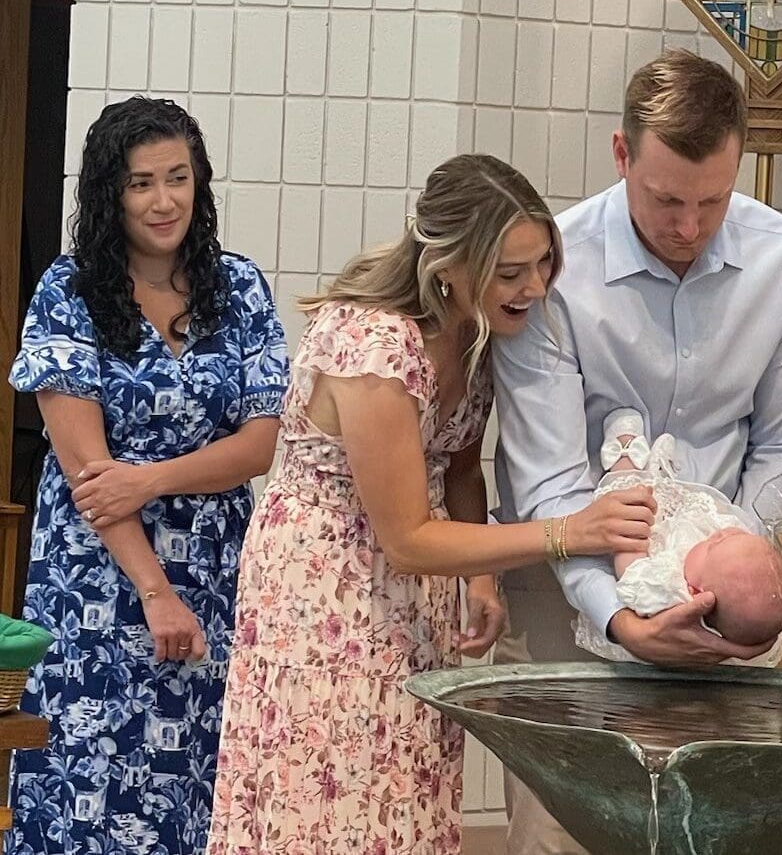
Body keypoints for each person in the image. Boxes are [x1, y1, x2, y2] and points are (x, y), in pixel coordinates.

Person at [204, 155, 655, 855]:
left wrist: (482, 581)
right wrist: (566, 532)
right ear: (448, 267)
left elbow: (461, 466)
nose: (535, 287)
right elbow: (408, 537)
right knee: (329, 800)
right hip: (327, 595)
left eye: (543, 263)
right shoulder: (374, 347)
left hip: (414, 600)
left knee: (404, 791)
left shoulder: (474, 334)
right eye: (511, 271)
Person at [493, 50, 782, 854]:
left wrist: (725, 566)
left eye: (713, 200)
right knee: (561, 834)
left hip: (725, 598)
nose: (688, 226)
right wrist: (620, 618)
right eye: (666, 199)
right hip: (569, 588)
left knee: (717, 830)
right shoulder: (554, 270)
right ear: (621, 154)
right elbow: (550, 483)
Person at [7, 96, 290, 854]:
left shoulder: (240, 287)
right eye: (141, 183)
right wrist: (155, 591)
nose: (164, 201)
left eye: (178, 178)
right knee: (86, 778)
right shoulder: (67, 292)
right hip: (98, 574)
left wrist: (152, 478)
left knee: (201, 774)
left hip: (216, 569)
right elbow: (90, 472)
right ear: (110, 192)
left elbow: (261, 444)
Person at [573, 411, 782, 663]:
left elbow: (630, 566)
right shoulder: (714, 569)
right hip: (677, 523)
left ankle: (625, 458)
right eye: (731, 536)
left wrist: (632, 514)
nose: (720, 534)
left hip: (639, 539)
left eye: (714, 546)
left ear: (695, 592)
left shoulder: (668, 591)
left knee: (626, 509)